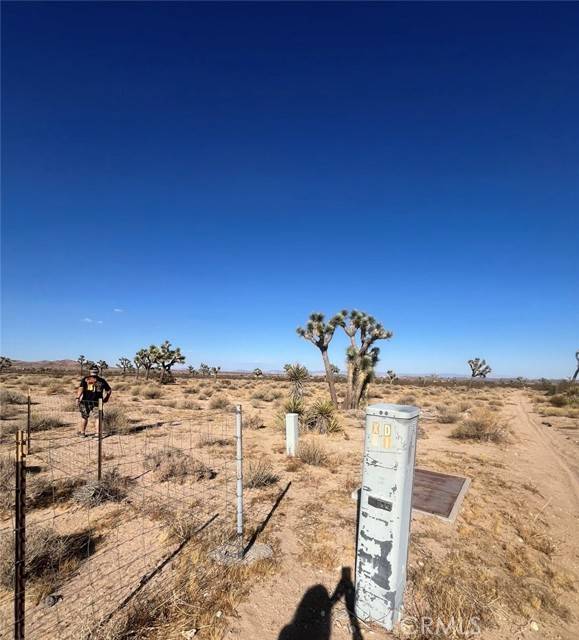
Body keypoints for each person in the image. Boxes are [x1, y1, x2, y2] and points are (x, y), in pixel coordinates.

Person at [76, 365, 112, 437]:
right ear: (97, 372)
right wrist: (107, 398)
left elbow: (81, 389)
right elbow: (109, 390)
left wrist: (77, 398)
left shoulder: (85, 379)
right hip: (99, 401)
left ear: (90, 372)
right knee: (98, 418)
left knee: (84, 417)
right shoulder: (102, 380)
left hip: (86, 401)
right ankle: (98, 434)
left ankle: (82, 433)